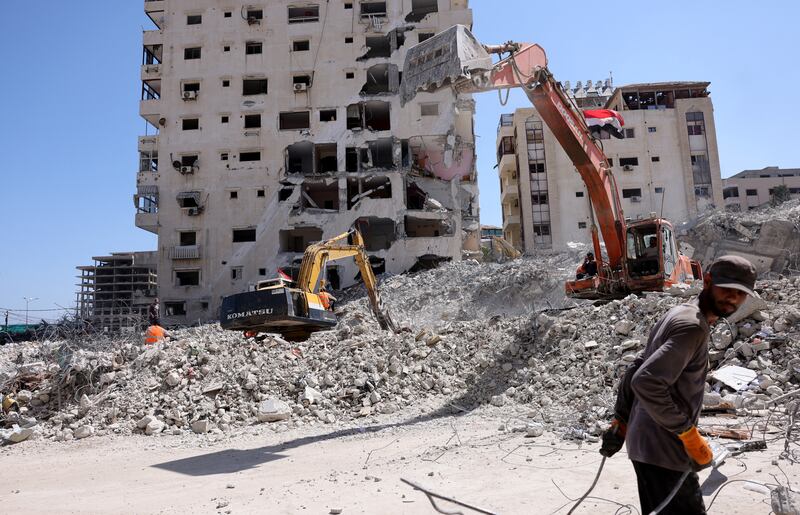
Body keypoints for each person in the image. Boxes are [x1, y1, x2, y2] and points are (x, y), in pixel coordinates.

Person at [601, 255, 756, 514]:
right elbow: (646, 381)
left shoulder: (679, 313)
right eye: (726, 289)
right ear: (707, 281)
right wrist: (688, 434)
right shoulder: (692, 327)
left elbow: (636, 367)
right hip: (665, 449)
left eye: (740, 294)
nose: (733, 298)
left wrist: (622, 421)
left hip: (648, 445)